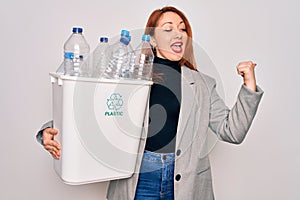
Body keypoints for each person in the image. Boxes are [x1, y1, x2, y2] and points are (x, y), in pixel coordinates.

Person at [36, 6, 264, 200]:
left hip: (187, 185)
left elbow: (232, 132)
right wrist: (50, 131)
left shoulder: (203, 84)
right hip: (138, 177)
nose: (179, 34)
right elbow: (91, 110)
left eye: (183, 29)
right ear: (152, 38)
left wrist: (249, 85)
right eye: (168, 28)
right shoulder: (127, 74)